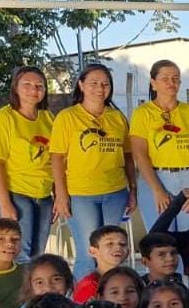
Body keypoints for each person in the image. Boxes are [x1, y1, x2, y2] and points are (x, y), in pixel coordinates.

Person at [50, 63, 135, 279]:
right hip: (81, 194)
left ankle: (111, 295)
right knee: (89, 254)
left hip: (115, 192)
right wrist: (61, 194)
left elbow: (127, 156)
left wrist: (132, 189)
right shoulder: (67, 117)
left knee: (112, 253)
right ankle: (85, 297)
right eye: (94, 83)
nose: (100, 88)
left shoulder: (117, 118)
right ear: (81, 85)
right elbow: (57, 158)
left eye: (105, 84)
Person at [128, 59, 189, 233]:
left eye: (175, 78)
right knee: (160, 237)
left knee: (187, 237)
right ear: (153, 83)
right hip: (155, 177)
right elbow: (140, 155)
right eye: (165, 78)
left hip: (188, 178)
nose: (171, 82)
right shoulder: (142, 113)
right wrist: (157, 190)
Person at [0, 65, 55, 259]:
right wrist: (5, 203)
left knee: (37, 255)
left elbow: (55, 159)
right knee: (17, 254)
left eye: (39, 86)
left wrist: (58, 194)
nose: (34, 90)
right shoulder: (3, 119)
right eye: (27, 84)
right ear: (15, 87)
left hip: (42, 194)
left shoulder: (48, 118)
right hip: (14, 192)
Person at [138, 232, 189, 308]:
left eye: (173, 253)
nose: (170, 258)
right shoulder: (138, 286)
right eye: (161, 254)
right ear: (145, 261)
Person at [72, 224, 129, 303]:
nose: (118, 247)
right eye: (110, 243)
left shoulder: (129, 279)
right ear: (93, 252)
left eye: (122, 244)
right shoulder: (89, 286)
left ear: (128, 252)